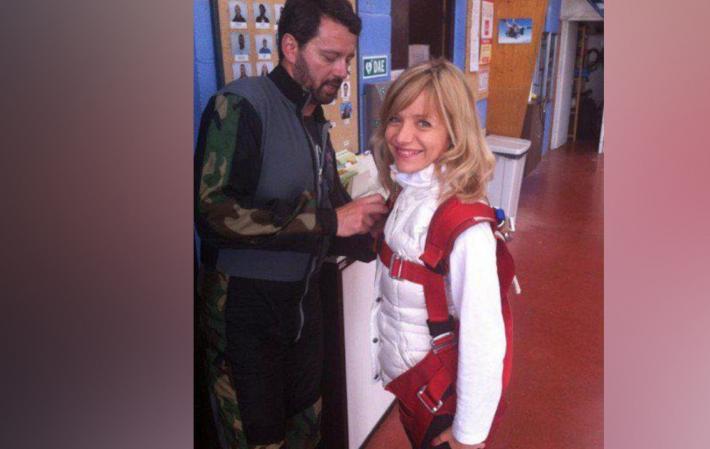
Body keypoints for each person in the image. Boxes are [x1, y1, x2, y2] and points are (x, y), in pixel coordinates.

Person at [194, 1, 387, 449]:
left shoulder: (316, 122)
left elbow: (333, 219)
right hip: (244, 316)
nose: (341, 71)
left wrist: (376, 234)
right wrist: (330, 221)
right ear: (290, 47)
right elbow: (212, 214)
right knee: (257, 439)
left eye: (347, 59)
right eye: (329, 56)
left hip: (301, 313)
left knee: (307, 430)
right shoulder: (240, 106)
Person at [370, 59, 509, 449]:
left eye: (423, 123)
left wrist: (469, 434)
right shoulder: (409, 190)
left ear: (454, 132)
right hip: (411, 384)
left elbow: (484, 338)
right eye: (395, 119)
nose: (402, 135)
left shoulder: (462, 223)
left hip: (439, 399)